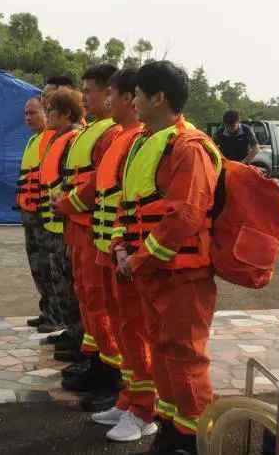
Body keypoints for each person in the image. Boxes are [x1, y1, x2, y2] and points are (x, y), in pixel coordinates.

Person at [115, 61, 222, 454]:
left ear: (159, 97)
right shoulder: (147, 143)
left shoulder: (189, 148)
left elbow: (185, 218)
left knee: (186, 358)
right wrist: (121, 248)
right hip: (153, 274)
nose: (133, 101)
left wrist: (138, 260)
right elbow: (130, 206)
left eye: (139, 94)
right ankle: (174, 430)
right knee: (162, 355)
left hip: (183, 278)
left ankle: (197, 440)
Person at [87, 69, 157, 442]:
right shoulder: (128, 141)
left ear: (133, 97)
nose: (107, 100)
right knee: (125, 331)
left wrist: (132, 253)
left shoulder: (144, 141)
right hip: (110, 250)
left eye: (111, 93)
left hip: (131, 257)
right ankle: (130, 399)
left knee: (140, 333)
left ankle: (145, 410)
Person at [53, 64, 124, 413]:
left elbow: (99, 183)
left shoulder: (113, 134)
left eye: (92, 89)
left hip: (96, 229)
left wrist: (67, 203)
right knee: (88, 300)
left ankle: (112, 374)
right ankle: (97, 361)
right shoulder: (94, 131)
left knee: (102, 304)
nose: (86, 96)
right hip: (79, 227)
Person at [36, 87, 86, 351]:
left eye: (51, 110)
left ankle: (80, 337)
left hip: (67, 224)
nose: (48, 115)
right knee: (62, 283)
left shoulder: (74, 140)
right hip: (54, 222)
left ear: (66, 114)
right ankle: (72, 330)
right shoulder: (60, 138)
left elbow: (74, 184)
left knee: (72, 285)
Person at [15, 97, 51, 328]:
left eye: (33, 113)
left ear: (46, 113)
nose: (28, 118)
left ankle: (57, 314)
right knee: (36, 264)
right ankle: (47, 310)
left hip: (43, 212)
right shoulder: (32, 141)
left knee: (49, 265)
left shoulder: (51, 140)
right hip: (28, 211)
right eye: (26, 114)